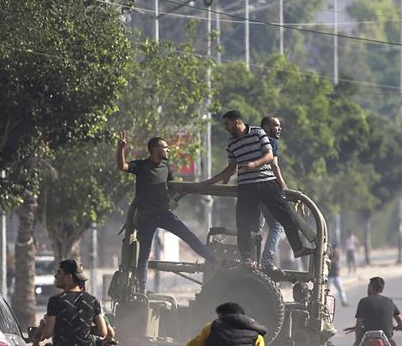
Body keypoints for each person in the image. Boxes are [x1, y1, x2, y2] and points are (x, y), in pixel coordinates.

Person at [201, 110, 313, 267]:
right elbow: (231, 169)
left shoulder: (258, 133)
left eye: (227, 124)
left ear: (237, 122)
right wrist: (210, 181)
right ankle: (247, 259)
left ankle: (298, 248)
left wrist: (254, 164)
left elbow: (269, 156)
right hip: (246, 187)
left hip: (267, 183)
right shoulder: (231, 143)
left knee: (287, 217)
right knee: (243, 224)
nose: (226, 128)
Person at [117, 131, 216, 292]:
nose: (168, 150)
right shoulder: (141, 166)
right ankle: (142, 289)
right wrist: (121, 149)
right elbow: (123, 166)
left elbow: (172, 187)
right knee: (144, 254)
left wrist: (194, 188)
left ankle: (214, 260)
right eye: (165, 147)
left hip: (164, 213)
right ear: (155, 149)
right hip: (147, 215)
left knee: (188, 235)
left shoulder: (165, 168)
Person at [258, 116, 288, 275]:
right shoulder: (270, 141)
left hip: (250, 188)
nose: (279, 128)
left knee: (256, 228)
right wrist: (283, 185)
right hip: (265, 189)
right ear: (266, 127)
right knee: (277, 225)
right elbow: (274, 166)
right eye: (276, 125)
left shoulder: (253, 141)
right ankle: (266, 262)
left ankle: (250, 260)